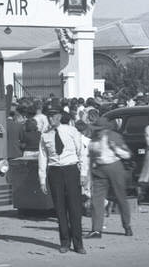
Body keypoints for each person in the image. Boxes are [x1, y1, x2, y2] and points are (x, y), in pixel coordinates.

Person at [38, 106, 89, 253]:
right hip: (55, 172)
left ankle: (78, 244)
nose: (50, 119)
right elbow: (43, 158)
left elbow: (82, 153)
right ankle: (65, 242)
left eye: (53, 116)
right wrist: (42, 179)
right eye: (48, 116)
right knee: (60, 209)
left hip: (71, 170)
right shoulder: (45, 135)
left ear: (60, 117)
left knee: (75, 208)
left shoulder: (71, 131)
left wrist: (83, 174)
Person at [86, 119, 133, 239]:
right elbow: (90, 157)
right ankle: (96, 230)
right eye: (96, 130)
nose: (98, 132)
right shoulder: (93, 140)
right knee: (96, 199)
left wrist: (115, 148)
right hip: (98, 169)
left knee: (120, 197)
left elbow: (127, 154)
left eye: (100, 130)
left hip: (114, 167)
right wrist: (89, 174)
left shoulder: (114, 136)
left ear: (106, 129)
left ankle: (127, 225)